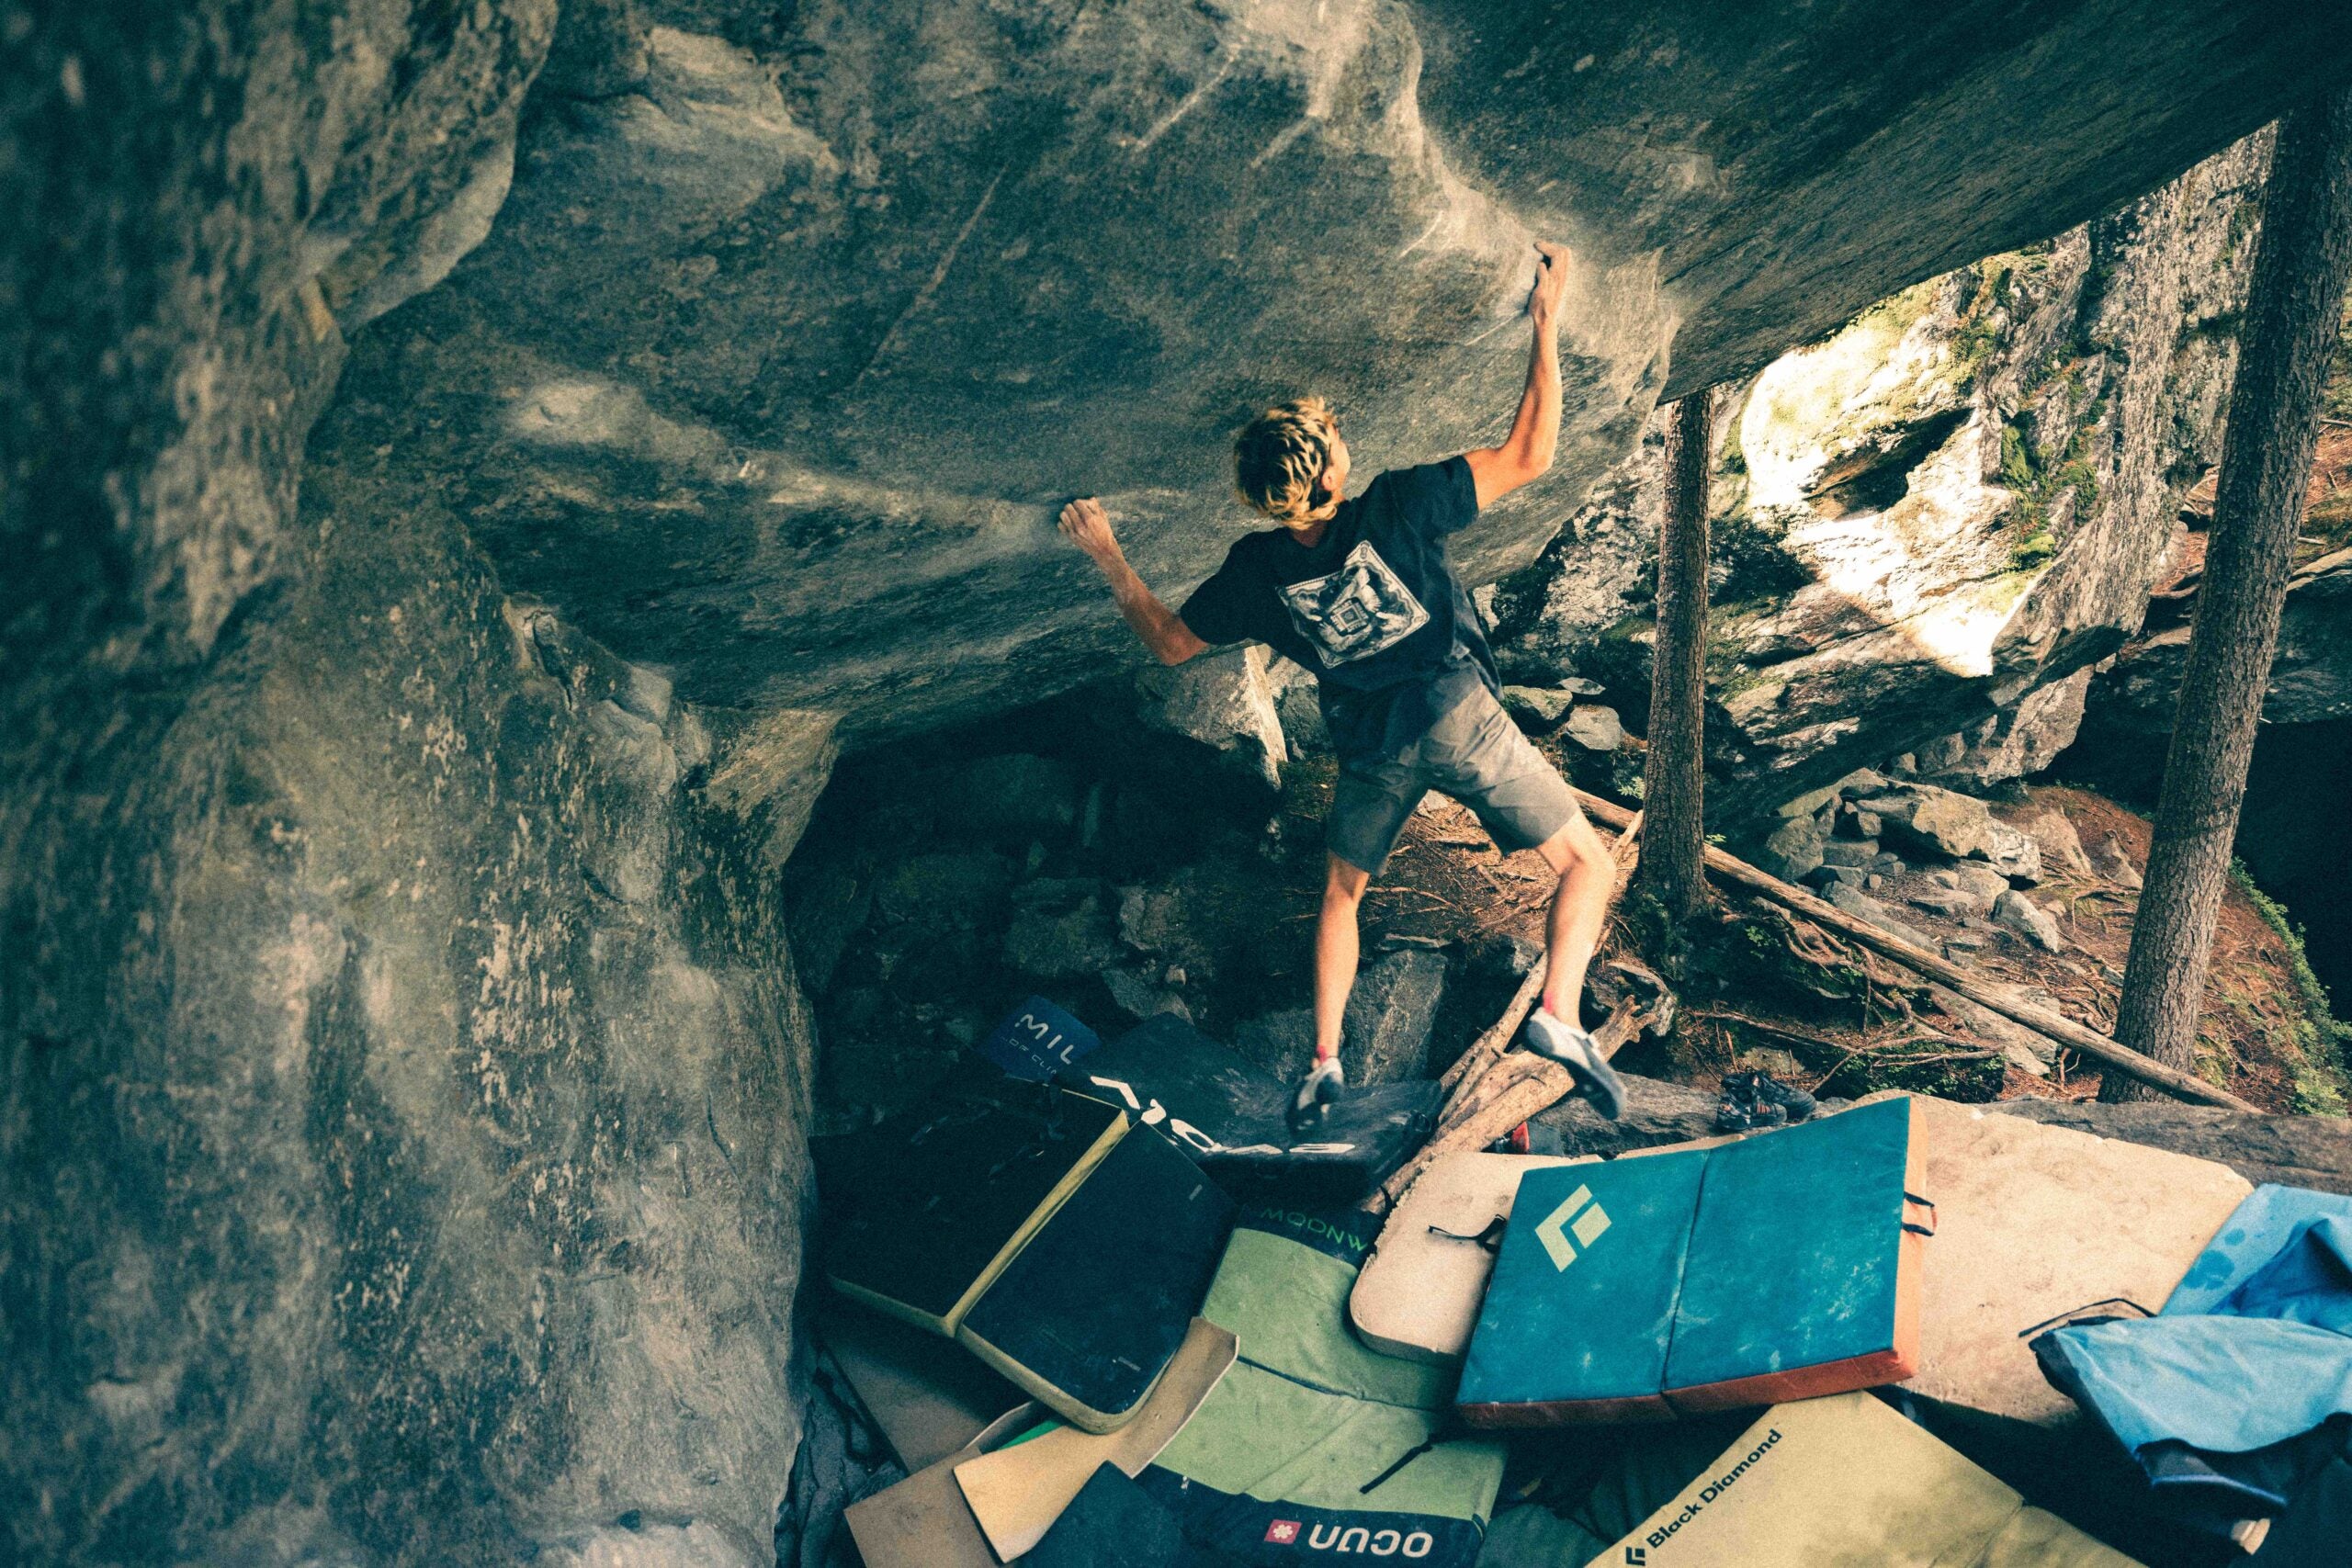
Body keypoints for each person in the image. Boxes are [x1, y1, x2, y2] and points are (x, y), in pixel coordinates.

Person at [1058, 241, 1624, 1125]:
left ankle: (1324, 1064)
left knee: (1341, 894)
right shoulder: (1397, 505)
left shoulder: (1254, 568)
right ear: (1331, 474)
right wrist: (1547, 321)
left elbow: (1171, 643)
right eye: (1334, 442)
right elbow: (1533, 452)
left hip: (1368, 743)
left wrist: (1110, 556)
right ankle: (1557, 1014)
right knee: (1588, 860)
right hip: (1456, 714)